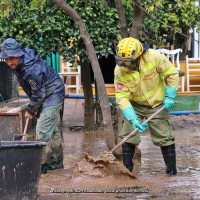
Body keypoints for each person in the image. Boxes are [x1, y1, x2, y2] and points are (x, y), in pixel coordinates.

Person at [114, 37, 179, 175]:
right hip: (134, 105)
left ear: (138, 57)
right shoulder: (119, 71)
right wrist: (132, 118)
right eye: (122, 62)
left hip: (157, 103)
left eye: (128, 62)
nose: (124, 65)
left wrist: (170, 94)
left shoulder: (154, 57)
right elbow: (121, 97)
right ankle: (127, 172)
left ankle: (171, 171)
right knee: (128, 135)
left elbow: (171, 73)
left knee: (165, 137)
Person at [0, 38, 65, 173]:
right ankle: (56, 164)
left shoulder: (31, 70)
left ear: (19, 54)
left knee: (42, 129)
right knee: (52, 131)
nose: (9, 62)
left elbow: (38, 93)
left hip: (53, 94)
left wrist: (31, 109)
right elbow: (36, 91)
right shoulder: (20, 63)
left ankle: (38, 165)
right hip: (45, 93)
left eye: (12, 58)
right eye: (6, 59)